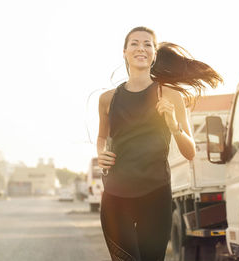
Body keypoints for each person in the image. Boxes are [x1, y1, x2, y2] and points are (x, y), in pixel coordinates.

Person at [97, 26, 223, 261]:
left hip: (155, 196)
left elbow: (190, 152)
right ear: (124, 52)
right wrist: (101, 152)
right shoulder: (108, 99)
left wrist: (173, 125)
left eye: (147, 44)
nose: (140, 48)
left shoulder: (171, 95)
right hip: (116, 196)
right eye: (134, 43)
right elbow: (103, 137)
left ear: (154, 54)